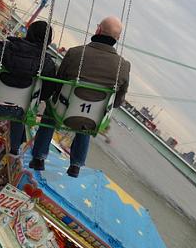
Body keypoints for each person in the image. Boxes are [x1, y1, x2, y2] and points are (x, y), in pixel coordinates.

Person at [30, 16, 131, 177]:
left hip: (64, 112)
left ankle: (39, 157)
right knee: (90, 117)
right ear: (117, 39)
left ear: (98, 30)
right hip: (90, 120)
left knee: (51, 111)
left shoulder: (75, 53)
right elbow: (118, 101)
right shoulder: (124, 66)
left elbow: (59, 83)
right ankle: (76, 164)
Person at [0, 20, 57, 156]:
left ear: (28, 32)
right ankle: (14, 147)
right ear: (47, 42)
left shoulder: (1, 50)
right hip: (19, 109)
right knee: (23, 111)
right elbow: (46, 94)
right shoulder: (48, 66)